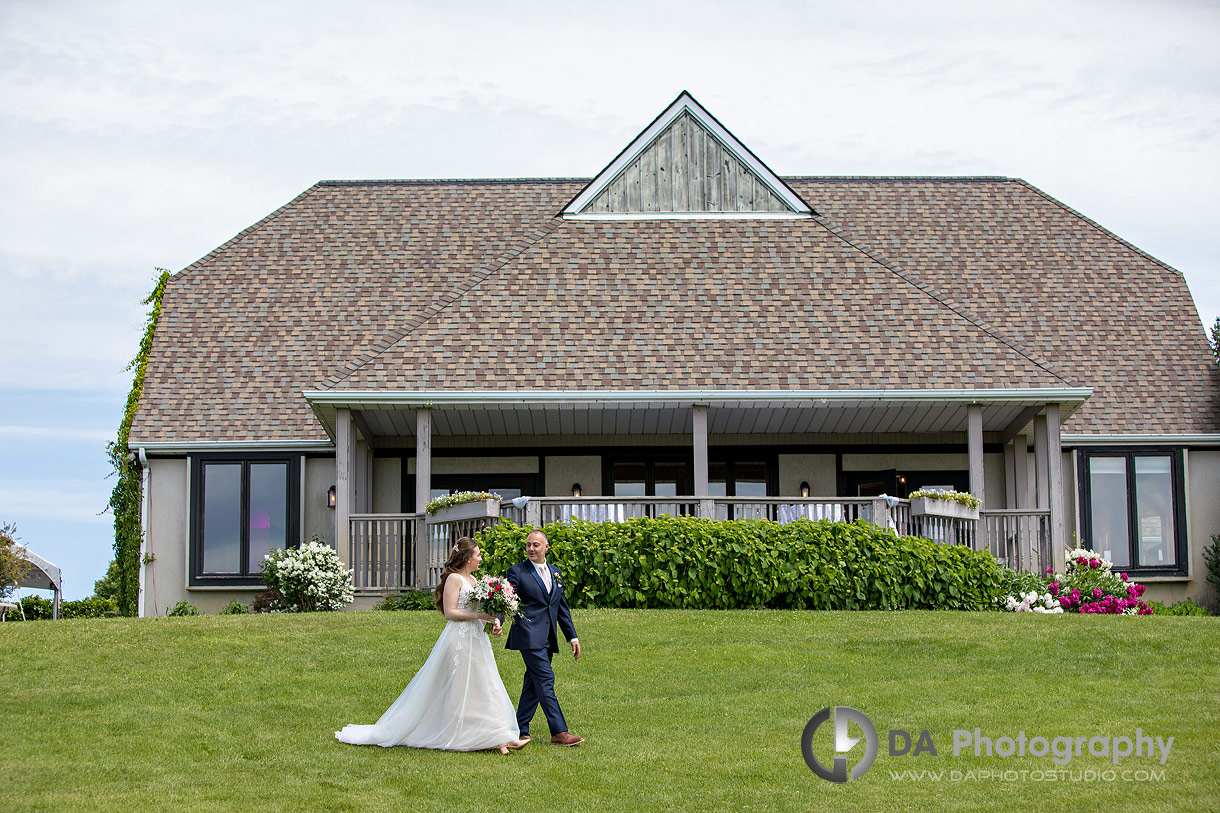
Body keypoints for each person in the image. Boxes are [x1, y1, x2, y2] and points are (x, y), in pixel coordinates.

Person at [334, 537, 528, 754]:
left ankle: (499, 736)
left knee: (485, 685)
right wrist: (479, 615)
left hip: (477, 639)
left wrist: (492, 622)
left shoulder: (474, 580)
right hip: (459, 640)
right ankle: (478, 737)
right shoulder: (454, 579)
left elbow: (479, 612)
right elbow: (450, 612)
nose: (480, 558)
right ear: (467, 558)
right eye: (478, 554)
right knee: (460, 687)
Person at [504, 529, 584, 746]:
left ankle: (520, 728)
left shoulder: (555, 572)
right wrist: (497, 621)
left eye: (535, 545)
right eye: (528, 545)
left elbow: (561, 608)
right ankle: (559, 732)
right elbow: (506, 598)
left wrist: (572, 637)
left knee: (533, 682)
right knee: (546, 680)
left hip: (548, 638)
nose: (530, 548)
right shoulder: (517, 572)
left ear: (546, 547)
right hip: (528, 636)